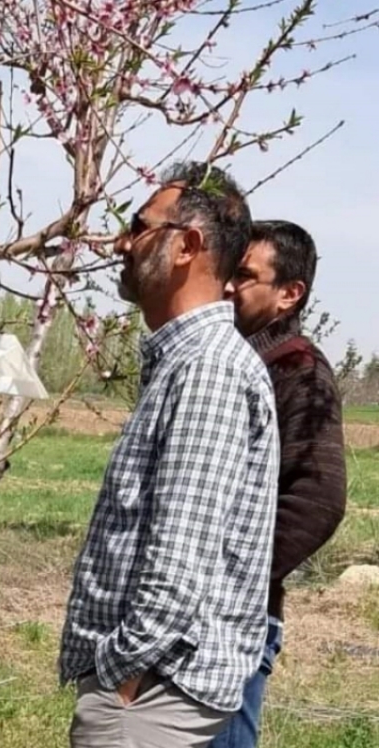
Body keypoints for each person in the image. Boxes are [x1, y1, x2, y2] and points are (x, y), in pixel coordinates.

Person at [57, 161, 280, 747]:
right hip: (150, 687)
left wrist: (121, 674)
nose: (124, 243)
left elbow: (179, 558)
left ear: (188, 246)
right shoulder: (185, 362)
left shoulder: (207, 369)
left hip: (150, 694)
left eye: (140, 226)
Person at [209, 220, 346, 747]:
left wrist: (234, 577)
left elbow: (319, 496)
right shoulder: (236, 362)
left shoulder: (298, 370)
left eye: (244, 276)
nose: (226, 287)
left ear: (289, 293)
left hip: (235, 622)